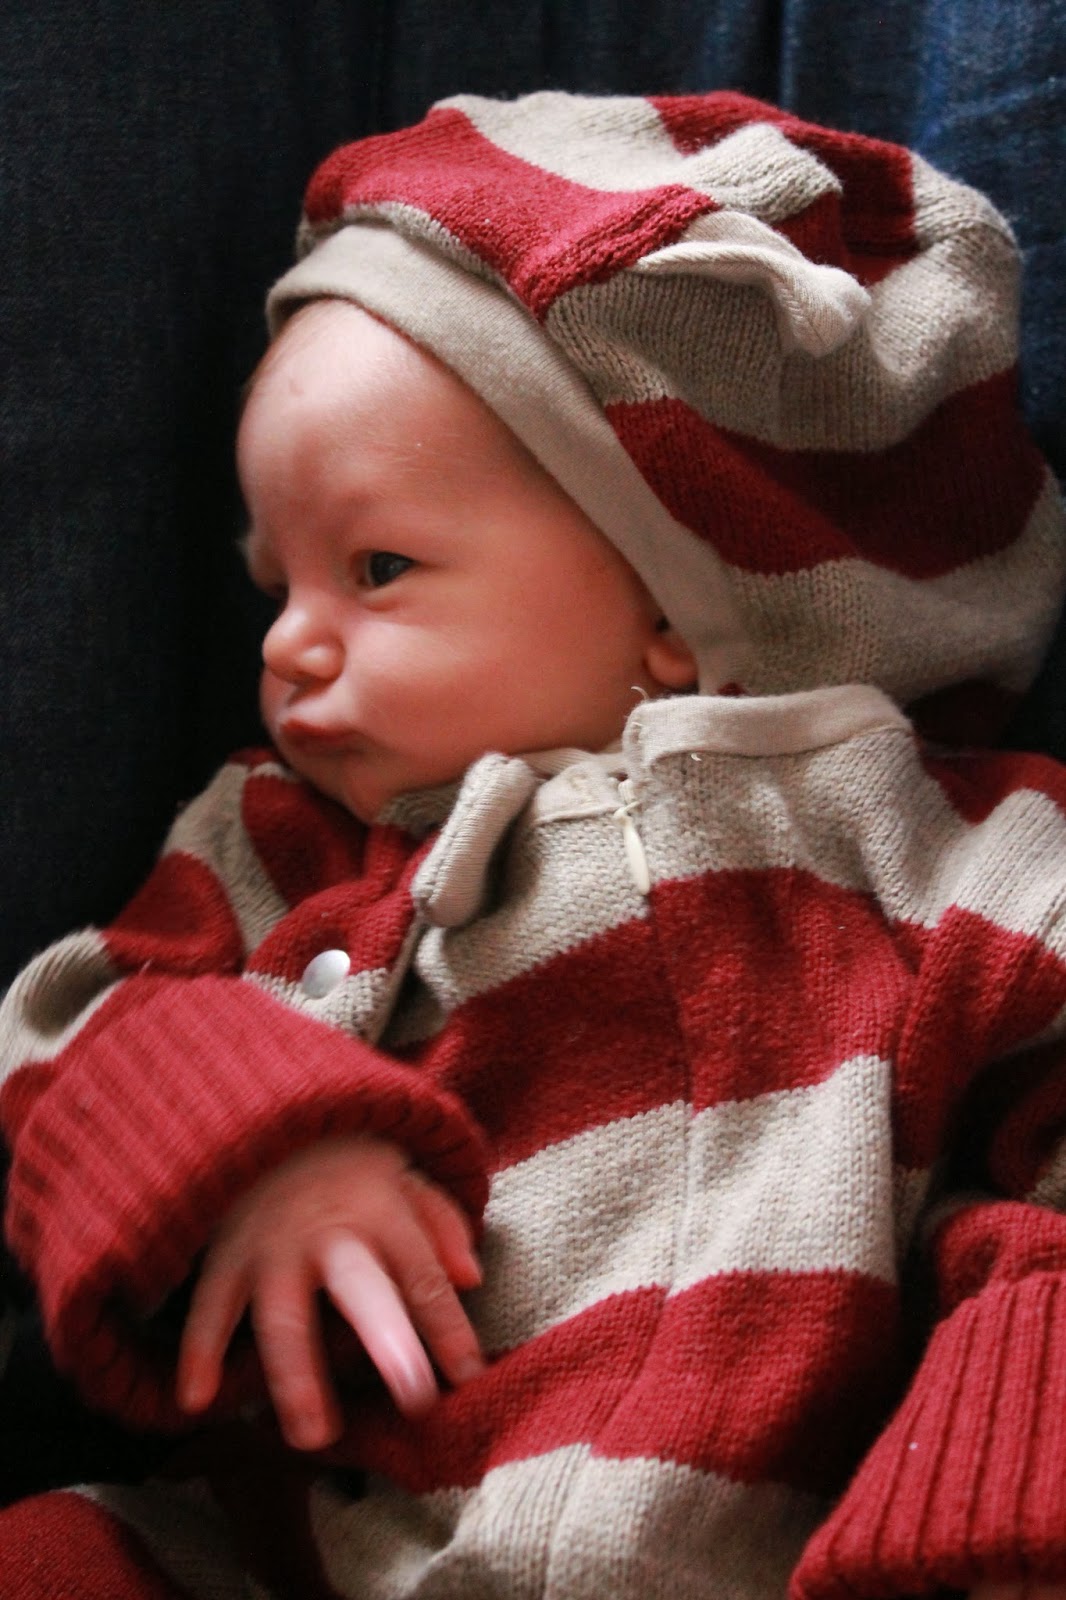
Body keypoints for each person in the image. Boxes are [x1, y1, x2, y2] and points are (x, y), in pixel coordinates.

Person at [1, 86, 1066, 1600]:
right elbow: (67, 1023)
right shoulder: (288, 841)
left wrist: (1005, 1479)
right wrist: (248, 1155)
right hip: (300, 1551)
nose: (287, 647)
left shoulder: (936, 850)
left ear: (677, 600)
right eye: (274, 585)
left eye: (377, 567)